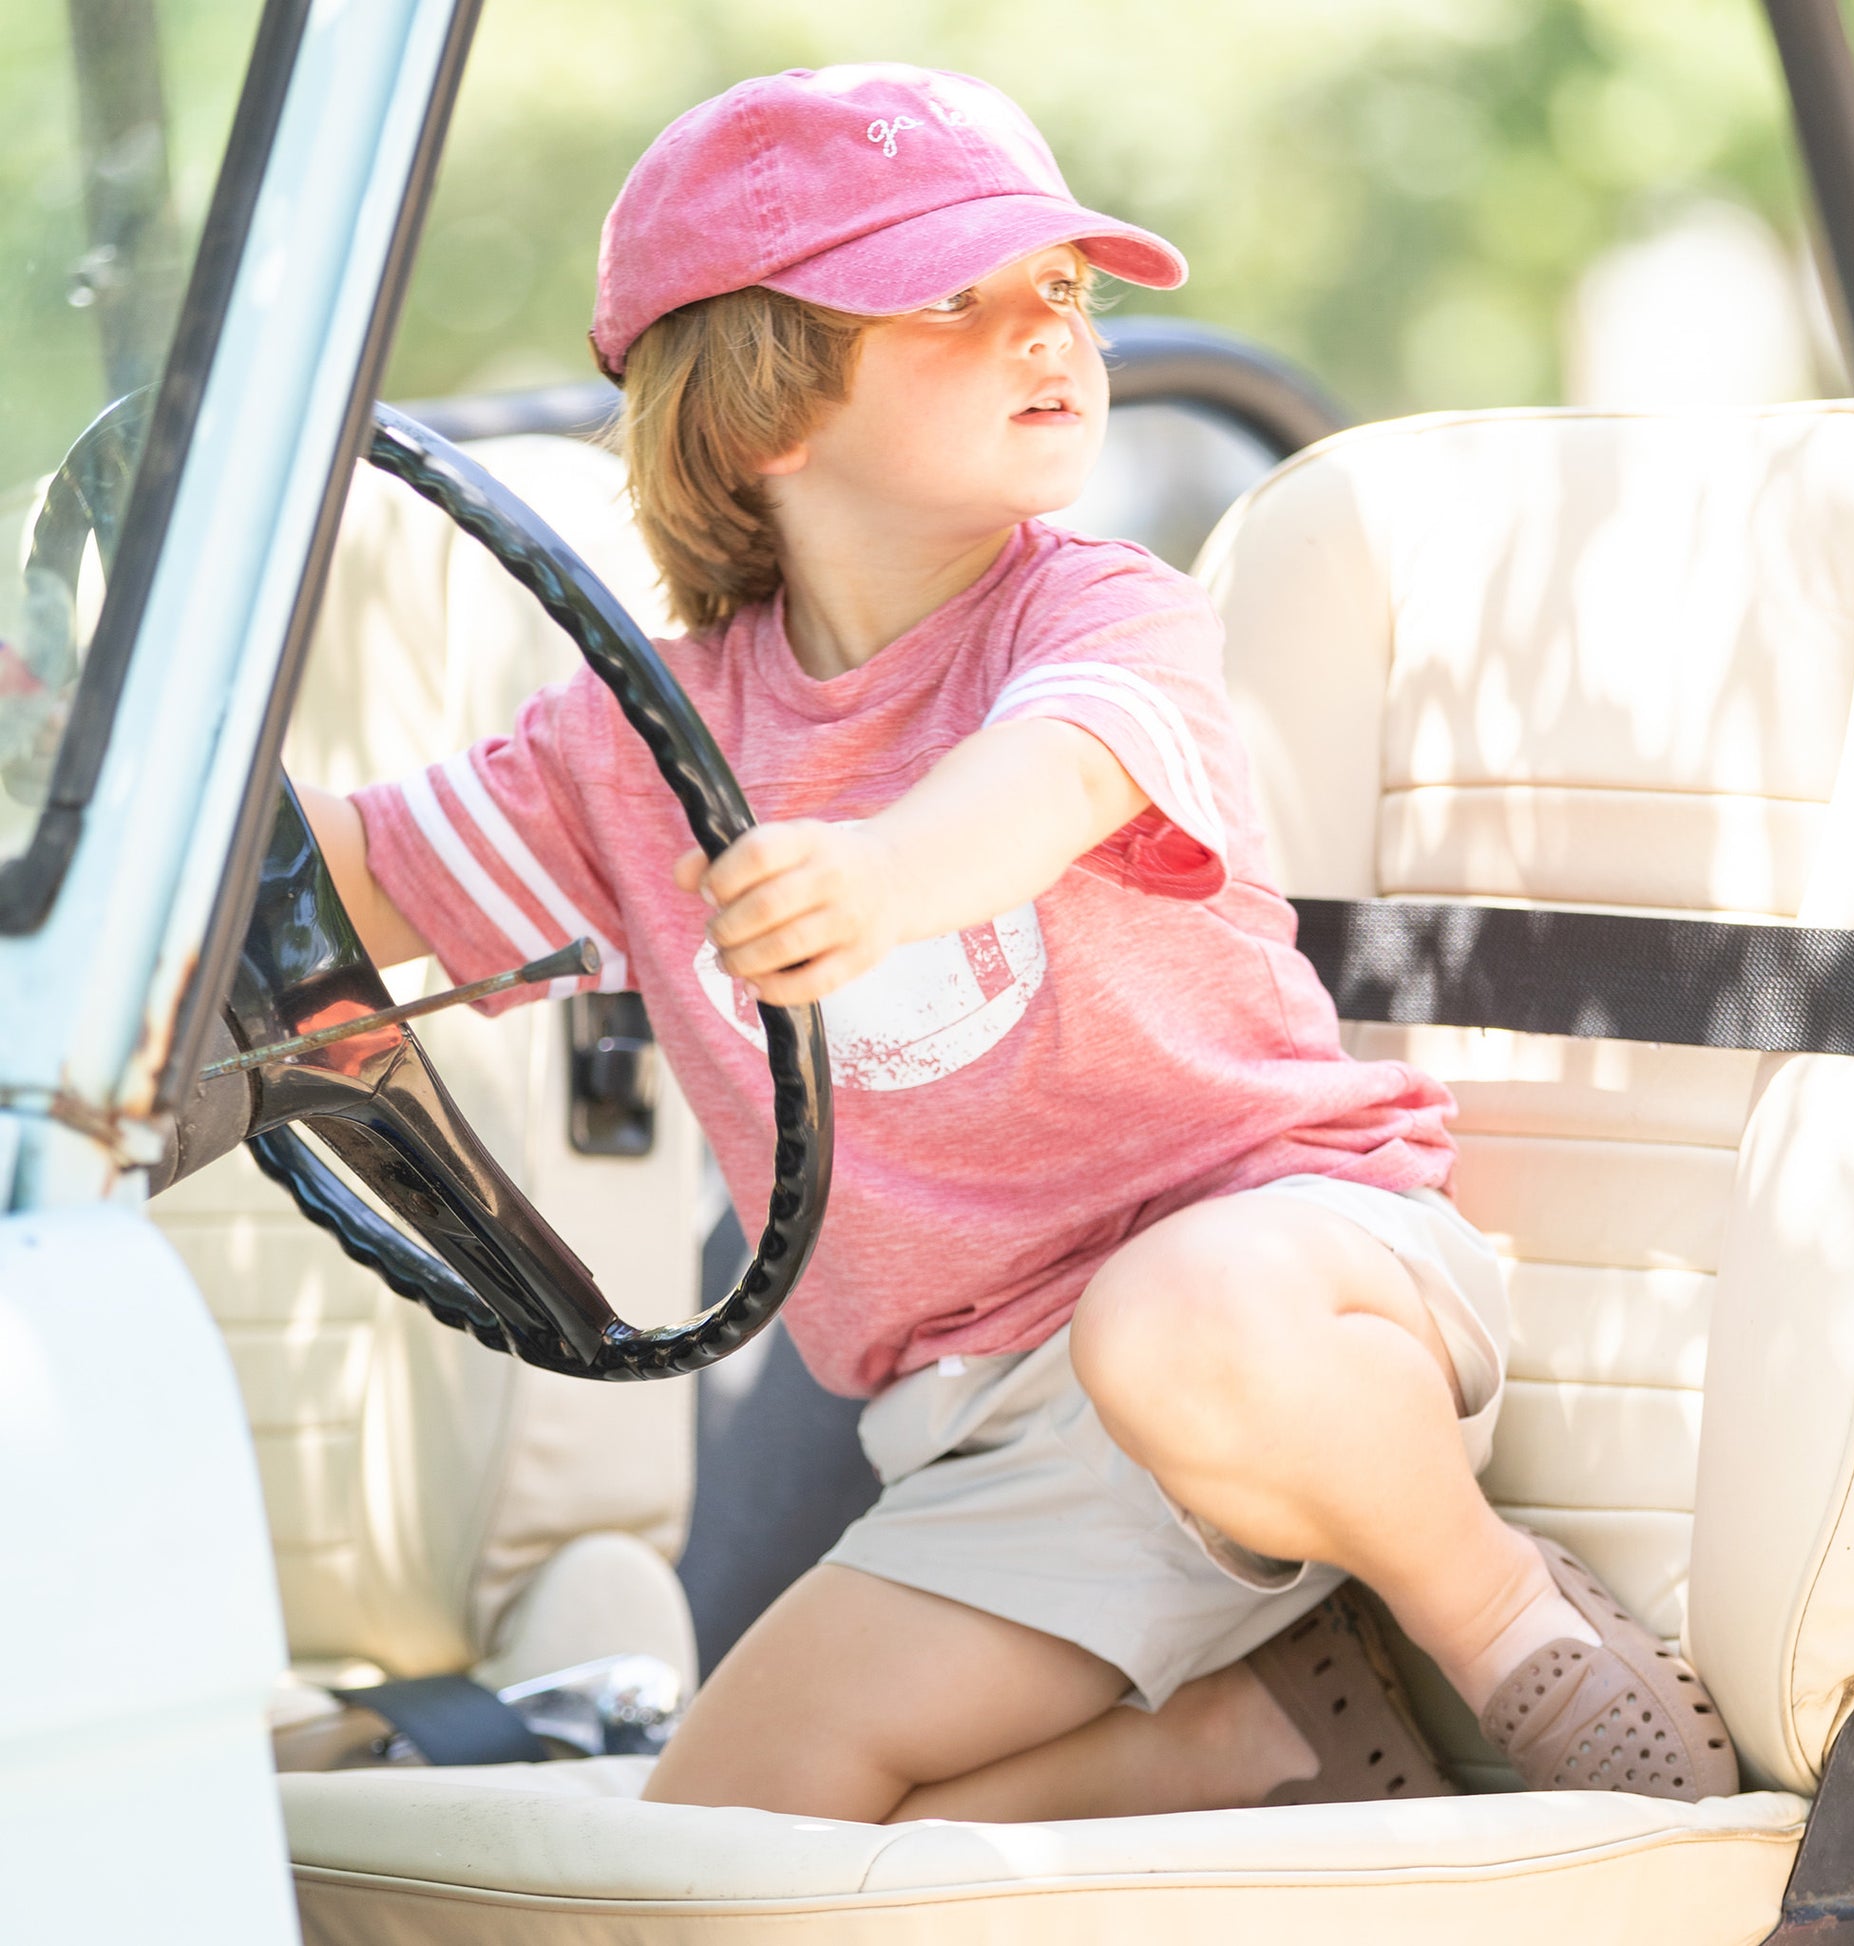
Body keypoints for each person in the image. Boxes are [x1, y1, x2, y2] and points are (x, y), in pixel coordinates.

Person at [302, 62, 1737, 1821]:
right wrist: (91, 758)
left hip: (1286, 1276)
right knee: (726, 1831)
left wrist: (884, 874)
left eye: (1061, 289)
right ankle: (1246, 1740)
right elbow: (356, 872)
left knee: (1177, 1323)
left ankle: (1497, 1618)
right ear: (764, 409)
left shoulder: (1097, 607)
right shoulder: (633, 748)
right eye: (955, 301)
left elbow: (1052, 774)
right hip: (990, 1440)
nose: (1049, 332)